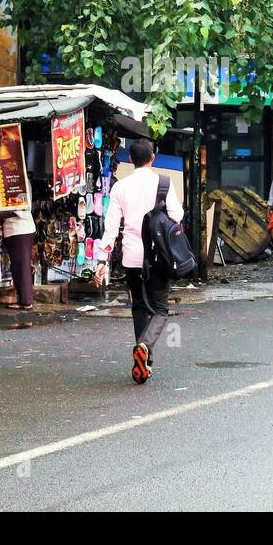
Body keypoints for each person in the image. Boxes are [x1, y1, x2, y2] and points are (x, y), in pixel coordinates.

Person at [99, 138, 183, 384]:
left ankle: (145, 360)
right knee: (159, 309)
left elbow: (111, 229)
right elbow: (177, 215)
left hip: (132, 257)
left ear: (130, 160)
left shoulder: (119, 188)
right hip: (159, 256)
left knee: (139, 306)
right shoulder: (164, 183)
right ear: (152, 158)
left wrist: (102, 261)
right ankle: (145, 347)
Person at [0, 188, 36, 310]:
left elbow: (19, 208)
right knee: (18, 266)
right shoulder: (18, 181)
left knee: (22, 266)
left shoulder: (19, 182)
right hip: (17, 230)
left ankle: (26, 301)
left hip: (20, 229)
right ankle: (23, 299)